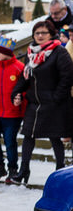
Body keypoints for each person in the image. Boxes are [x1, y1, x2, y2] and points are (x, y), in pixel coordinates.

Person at [10, 21, 73, 184]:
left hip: (54, 104)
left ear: (51, 34)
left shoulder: (59, 52)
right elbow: (25, 77)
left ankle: (59, 171)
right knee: (28, 136)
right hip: (35, 104)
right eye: (37, 33)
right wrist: (16, 92)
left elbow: (67, 77)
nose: (40, 36)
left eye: (43, 33)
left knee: (55, 138)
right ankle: (23, 171)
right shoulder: (30, 53)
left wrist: (56, 97)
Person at [0, 36, 26, 183]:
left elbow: (24, 89)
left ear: (5, 52)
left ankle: (13, 169)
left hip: (12, 114)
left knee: (10, 142)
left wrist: (21, 104)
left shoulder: (19, 68)